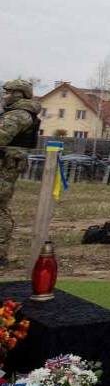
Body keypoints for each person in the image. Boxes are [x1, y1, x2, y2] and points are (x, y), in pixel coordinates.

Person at [0, 79, 41, 268]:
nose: (4, 95)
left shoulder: (18, 115)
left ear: (18, 94)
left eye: (8, 92)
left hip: (4, 167)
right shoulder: (18, 113)